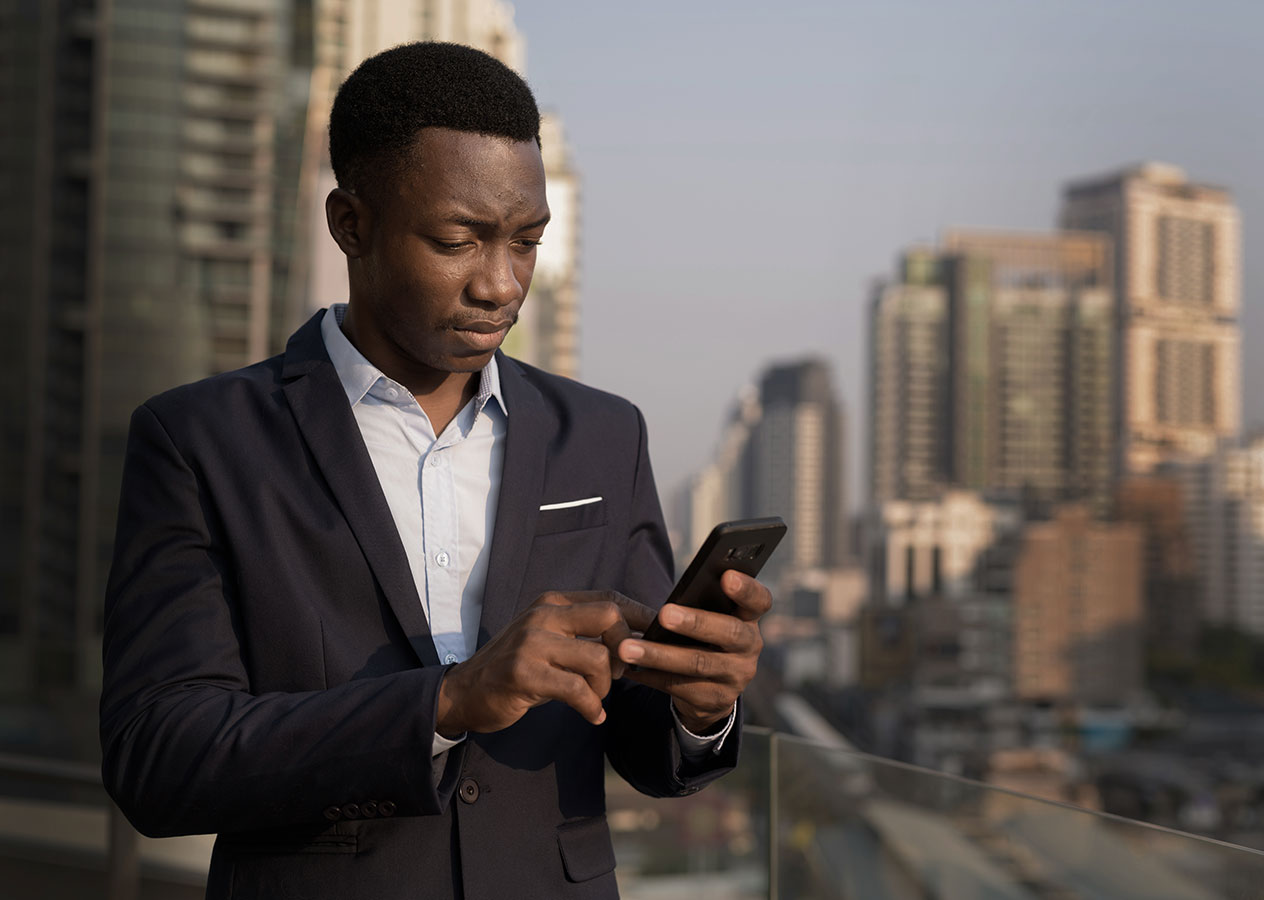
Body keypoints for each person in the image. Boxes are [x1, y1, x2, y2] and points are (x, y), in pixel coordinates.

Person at [99, 41, 772, 899]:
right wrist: (448, 702)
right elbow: (157, 756)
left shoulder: (603, 435)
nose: (500, 284)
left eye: (527, 243)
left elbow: (643, 742)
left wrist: (698, 706)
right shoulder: (201, 441)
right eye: (459, 240)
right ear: (352, 224)